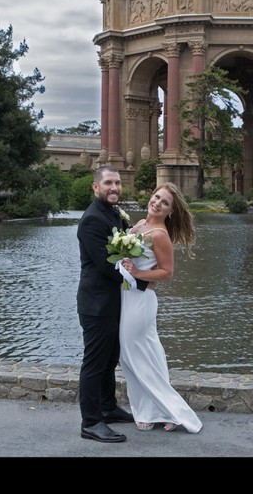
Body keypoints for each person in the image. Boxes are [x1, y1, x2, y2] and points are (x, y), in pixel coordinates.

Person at [118, 182, 203, 434]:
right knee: (149, 352)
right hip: (126, 296)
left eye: (165, 202)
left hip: (142, 300)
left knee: (131, 352)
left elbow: (167, 272)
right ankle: (161, 411)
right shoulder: (139, 226)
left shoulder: (160, 234)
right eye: (157, 197)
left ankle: (160, 410)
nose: (157, 203)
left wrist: (138, 272)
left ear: (170, 211)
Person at [76, 165, 148, 443]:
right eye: (108, 183)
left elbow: (125, 245)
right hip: (96, 304)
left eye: (117, 183)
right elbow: (107, 267)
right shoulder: (92, 220)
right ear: (96, 187)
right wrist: (144, 282)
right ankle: (91, 422)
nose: (114, 187)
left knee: (109, 360)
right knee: (94, 363)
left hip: (113, 303)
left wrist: (137, 232)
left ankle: (107, 407)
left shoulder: (114, 213)